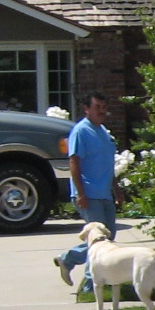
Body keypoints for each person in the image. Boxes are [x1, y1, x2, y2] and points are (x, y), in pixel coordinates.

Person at [54, 93, 118, 285]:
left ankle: (68, 259)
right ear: (87, 109)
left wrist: (115, 187)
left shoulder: (103, 131)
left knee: (108, 236)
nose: (102, 111)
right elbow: (74, 162)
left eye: (104, 107)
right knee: (98, 241)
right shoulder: (81, 131)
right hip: (88, 194)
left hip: (104, 192)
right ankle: (91, 284)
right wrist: (81, 192)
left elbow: (107, 163)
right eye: (97, 106)